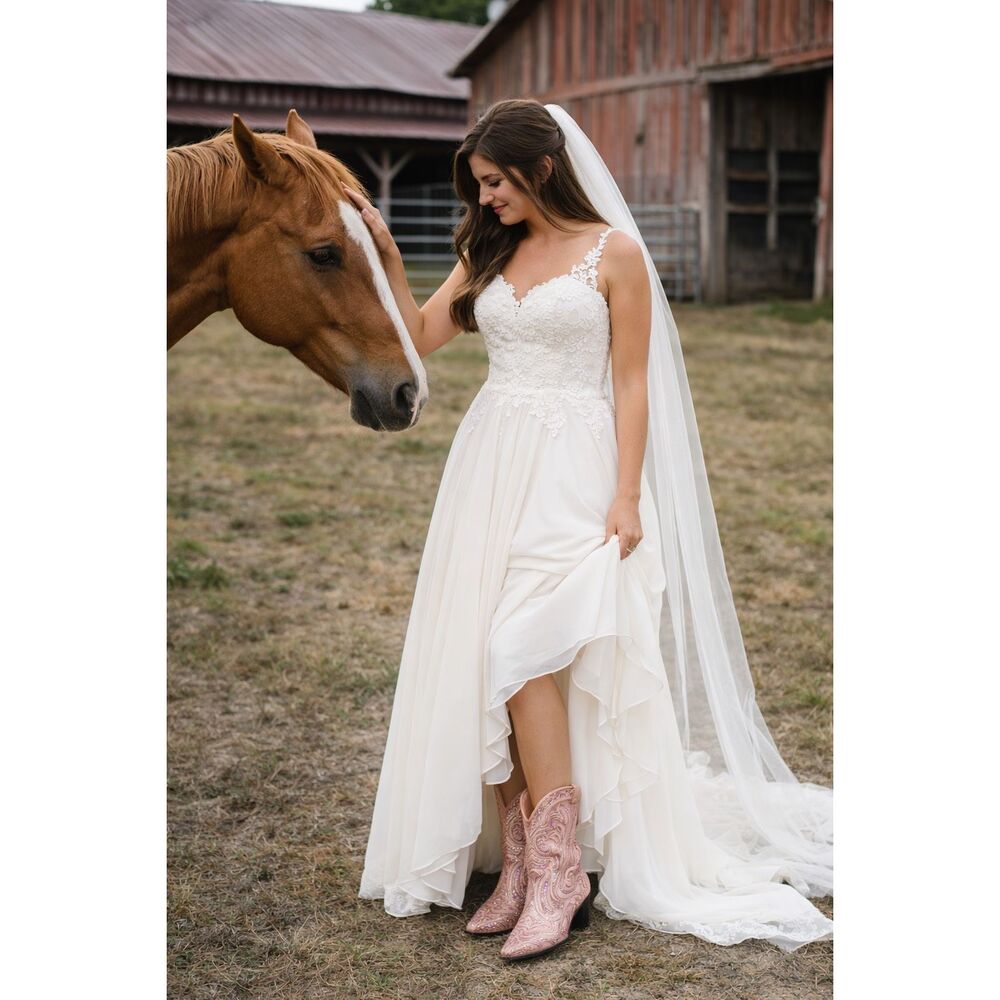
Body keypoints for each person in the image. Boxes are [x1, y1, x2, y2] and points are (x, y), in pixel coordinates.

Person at [348, 99, 833, 961]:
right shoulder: (483, 253)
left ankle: (561, 871)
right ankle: (524, 863)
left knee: (523, 649)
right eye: (479, 185)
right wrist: (376, 261)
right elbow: (420, 337)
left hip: (578, 470)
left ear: (541, 167)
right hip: (491, 468)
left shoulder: (617, 255)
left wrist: (627, 495)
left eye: (495, 181)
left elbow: (634, 383)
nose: (485, 197)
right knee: (484, 655)